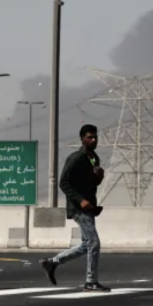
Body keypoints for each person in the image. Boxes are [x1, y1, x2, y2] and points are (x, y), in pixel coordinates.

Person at [40, 124, 109, 292]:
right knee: (93, 243)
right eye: (90, 137)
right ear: (82, 139)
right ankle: (91, 281)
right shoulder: (76, 158)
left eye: (95, 137)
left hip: (89, 206)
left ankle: (52, 262)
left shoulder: (93, 158)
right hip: (78, 207)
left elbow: (92, 183)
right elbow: (64, 183)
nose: (93, 140)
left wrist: (99, 178)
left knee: (87, 244)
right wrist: (81, 200)